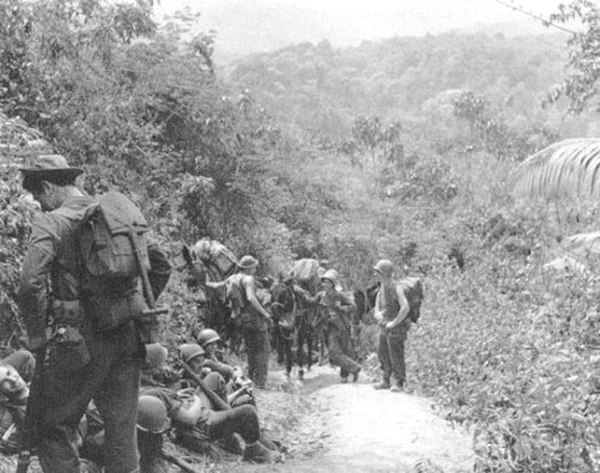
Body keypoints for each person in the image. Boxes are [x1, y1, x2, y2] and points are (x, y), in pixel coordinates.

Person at [18, 154, 171, 473]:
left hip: (79, 342)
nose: (40, 205)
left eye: (38, 197)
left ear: (48, 187)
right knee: (121, 431)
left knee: (55, 426)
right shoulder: (116, 216)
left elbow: (31, 283)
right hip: (129, 338)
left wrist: (38, 337)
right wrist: (132, 304)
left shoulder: (54, 221)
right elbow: (160, 266)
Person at [209, 255, 271, 388]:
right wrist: (265, 313)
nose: (255, 269)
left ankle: (252, 378)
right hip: (254, 319)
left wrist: (204, 281)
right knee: (262, 349)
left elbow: (216, 285)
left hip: (241, 319)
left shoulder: (233, 278)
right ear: (250, 268)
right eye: (254, 266)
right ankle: (260, 383)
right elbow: (250, 298)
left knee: (250, 349)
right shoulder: (248, 279)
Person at [307, 270, 361, 383]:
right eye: (324, 282)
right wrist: (301, 293)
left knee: (344, 351)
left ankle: (344, 376)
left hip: (342, 325)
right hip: (330, 327)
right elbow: (311, 302)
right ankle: (354, 367)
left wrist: (342, 308)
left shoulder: (340, 295)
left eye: (328, 282)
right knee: (334, 352)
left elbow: (353, 306)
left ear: (333, 283)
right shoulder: (321, 295)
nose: (325, 284)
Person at [372, 259, 410, 392]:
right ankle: (386, 379)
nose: (376, 274)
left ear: (385, 273)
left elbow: (405, 308)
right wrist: (377, 314)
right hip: (384, 325)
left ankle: (400, 382)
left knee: (396, 353)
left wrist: (394, 322)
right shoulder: (381, 287)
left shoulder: (397, 287)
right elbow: (377, 304)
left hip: (396, 327)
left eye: (378, 272)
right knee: (381, 351)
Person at [0, 350, 34, 454]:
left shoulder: (42, 383)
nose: (13, 379)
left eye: (10, 373)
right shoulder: (13, 415)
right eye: (5, 382)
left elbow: (25, 356)